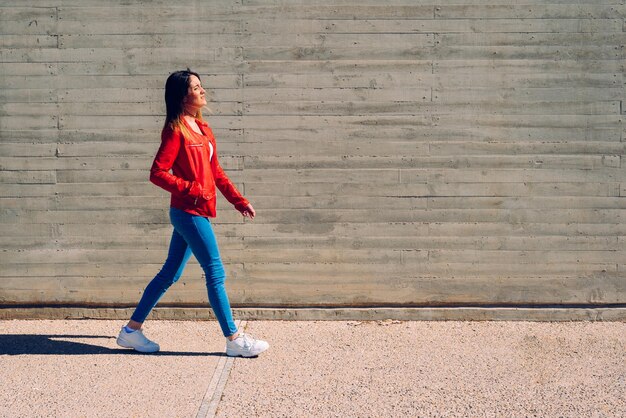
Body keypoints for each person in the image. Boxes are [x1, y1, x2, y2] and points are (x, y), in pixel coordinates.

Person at [116, 69, 269, 357]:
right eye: (196, 88)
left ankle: (131, 331)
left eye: (201, 86)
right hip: (188, 212)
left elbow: (217, 173)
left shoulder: (204, 128)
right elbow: (157, 173)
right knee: (215, 272)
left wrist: (238, 200)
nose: (202, 91)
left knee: (169, 274)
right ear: (182, 96)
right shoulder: (176, 130)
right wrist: (193, 189)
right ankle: (234, 339)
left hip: (194, 211)